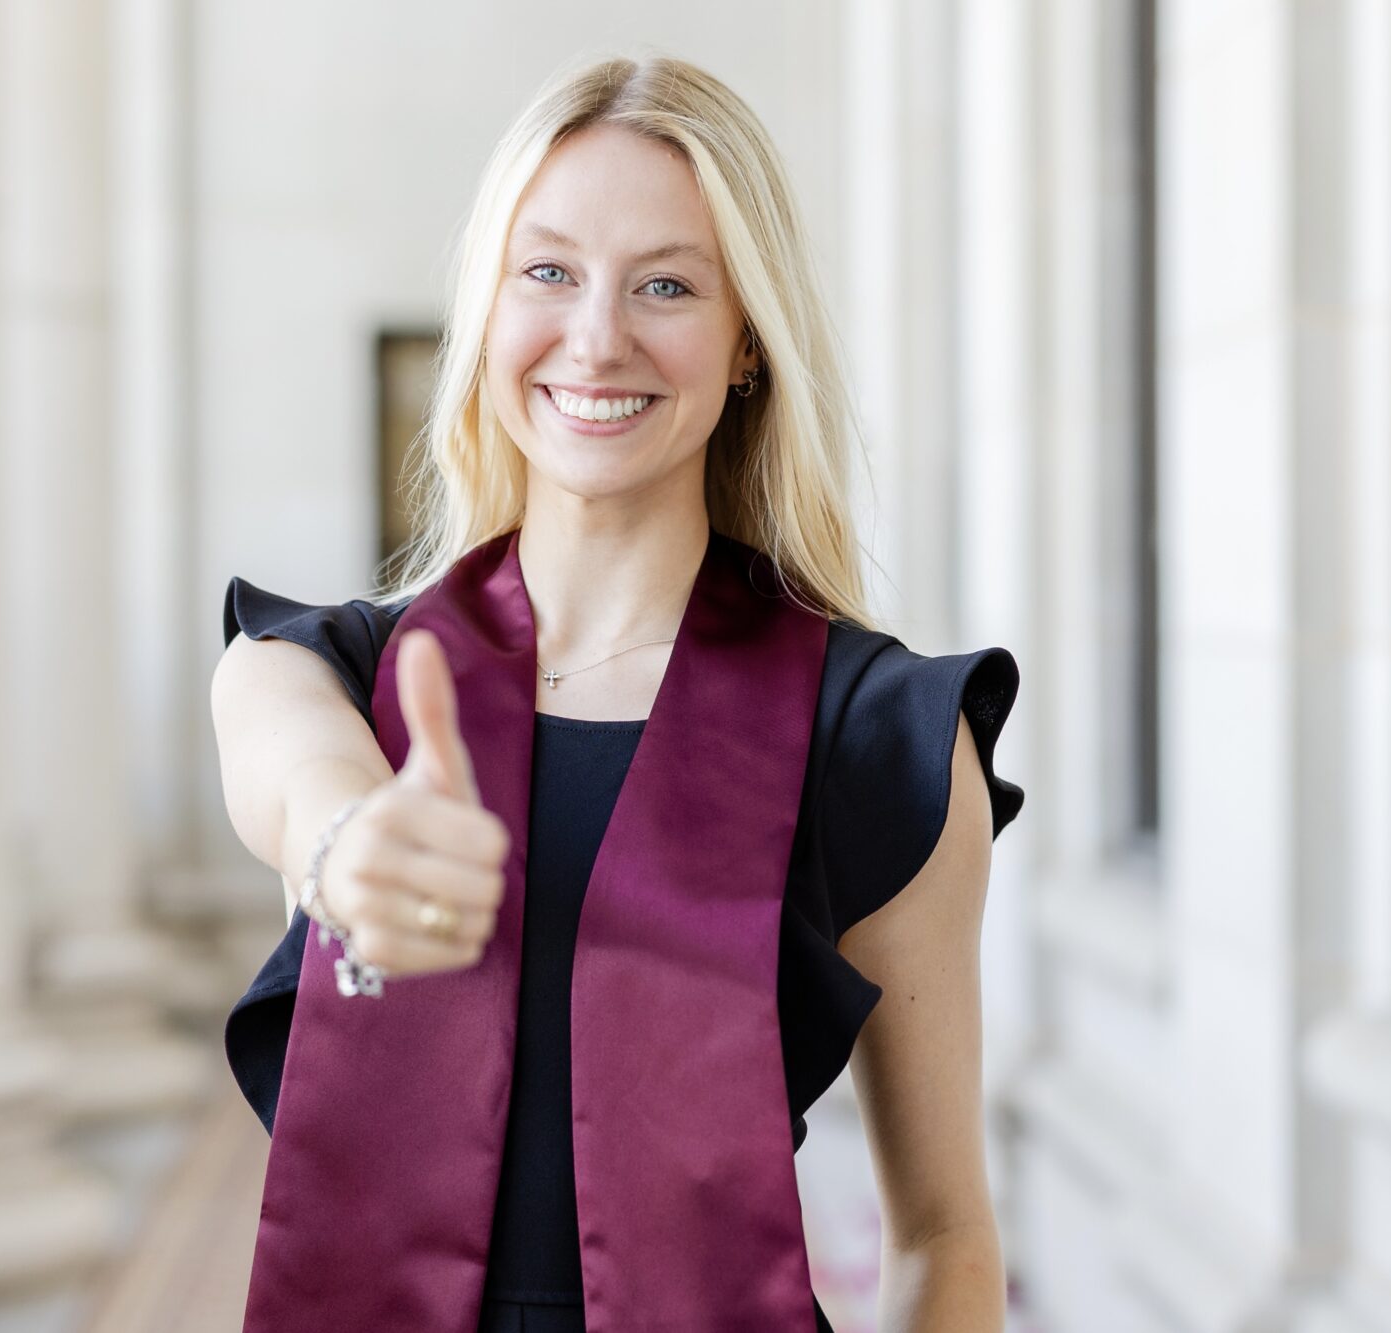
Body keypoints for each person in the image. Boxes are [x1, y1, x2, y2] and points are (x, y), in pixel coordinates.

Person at [212, 52, 1024, 1333]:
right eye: (547, 272)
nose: (596, 336)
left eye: (665, 285)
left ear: (747, 341)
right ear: (486, 308)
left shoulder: (877, 741)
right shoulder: (327, 675)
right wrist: (347, 844)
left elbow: (942, 1234)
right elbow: (288, 769)